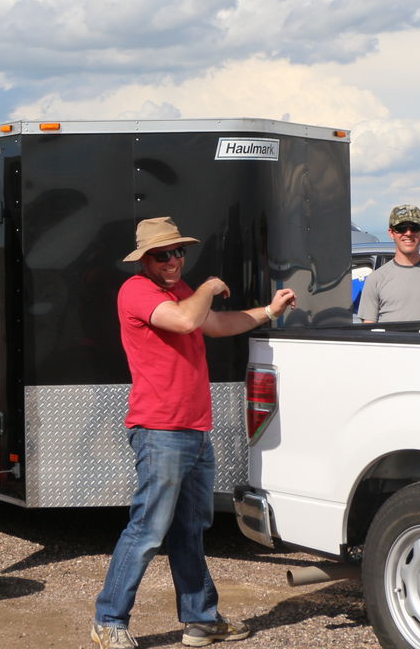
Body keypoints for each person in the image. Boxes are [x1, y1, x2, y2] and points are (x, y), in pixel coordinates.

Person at [91, 217, 297, 649]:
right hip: (160, 431)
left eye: (178, 252)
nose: (172, 260)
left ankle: (201, 620)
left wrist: (268, 311)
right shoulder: (138, 292)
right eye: (162, 255)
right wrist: (208, 286)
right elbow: (186, 322)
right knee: (148, 529)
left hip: (195, 430)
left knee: (190, 529)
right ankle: (108, 620)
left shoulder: (182, 292)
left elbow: (215, 325)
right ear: (144, 260)